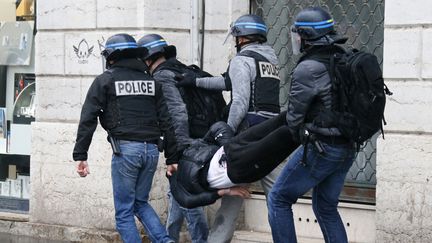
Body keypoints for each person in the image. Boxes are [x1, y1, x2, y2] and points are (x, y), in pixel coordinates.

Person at [177, 14, 284, 242]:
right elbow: (227, 82)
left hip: (248, 133)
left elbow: (240, 101)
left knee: (233, 192)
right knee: (277, 195)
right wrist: (196, 81)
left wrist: (228, 132)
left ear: (241, 37)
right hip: (272, 132)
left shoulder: (242, 60)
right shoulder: (269, 60)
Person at [72, 33, 178, 243]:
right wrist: (172, 157)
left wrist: (81, 155)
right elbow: (167, 120)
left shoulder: (106, 80)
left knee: (123, 214)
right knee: (140, 203)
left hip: (126, 151)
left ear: (111, 56)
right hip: (151, 152)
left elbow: (88, 118)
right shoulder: (151, 82)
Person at [267, 7, 357, 243]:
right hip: (347, 146)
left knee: (278, 198)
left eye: (298, 34)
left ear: (306, 35)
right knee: (326, 208)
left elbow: (294, 118)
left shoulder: (308, 68)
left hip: (323, 147)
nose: (296, 39)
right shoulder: (343, 57)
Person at [137, 34, 226, 243]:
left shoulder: (162, 77)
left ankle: (200, 240)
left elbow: (176, 114)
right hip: (202, 139)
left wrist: (177, 153)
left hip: (186, 144)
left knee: (188, 200)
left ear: (148, 59)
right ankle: (170, 238)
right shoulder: (184, 70)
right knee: (176, 195)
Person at [169, 111, 300, 209]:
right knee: (284, 135)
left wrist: (226, 145)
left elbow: (218, 127)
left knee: (278, 121)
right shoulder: (176, 184)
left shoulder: (190, 150)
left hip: (231, 148)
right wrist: (226, 192)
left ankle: (310, 107)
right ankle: (312, 126)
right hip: (234, 169)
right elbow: (188, 202)